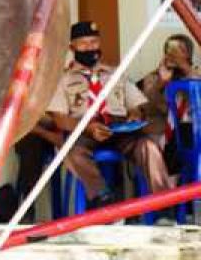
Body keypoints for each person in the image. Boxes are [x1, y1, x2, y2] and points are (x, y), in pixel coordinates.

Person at [48, 21, 171, 214]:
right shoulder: (63, 80)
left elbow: (138, 105)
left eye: (94, 42)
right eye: (84, 43)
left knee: (148, 146)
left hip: (119, 129)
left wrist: (134, 115)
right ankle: (102, 198)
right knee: (69, 149)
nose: (90, 48)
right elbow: (60, 119)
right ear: (72, 47)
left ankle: (165, 206)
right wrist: (89, 128)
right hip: (84, 130)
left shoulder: (115, 74)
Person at [139, 34, 201, 160]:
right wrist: (160, 84)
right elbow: (146, 108)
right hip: (159, 131)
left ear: (188, 55)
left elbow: (195, 104)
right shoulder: (153, 77)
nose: (173, 54)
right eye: (169, 49)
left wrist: (186, 70)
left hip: (191, 131)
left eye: (179, 50)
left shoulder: (196, 74)